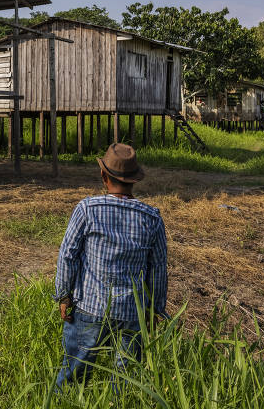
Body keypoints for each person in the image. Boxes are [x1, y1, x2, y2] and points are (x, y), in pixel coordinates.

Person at [53, 142, 168, 390]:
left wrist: (63, 295)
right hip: (132, 312)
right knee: (125, 383)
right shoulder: (152, 218)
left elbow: (68, 255)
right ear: (134, 180)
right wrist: (154, 310)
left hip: (90, 306)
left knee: (73, 374)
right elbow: (158, 269)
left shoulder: (87, 209)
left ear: (103, 176)